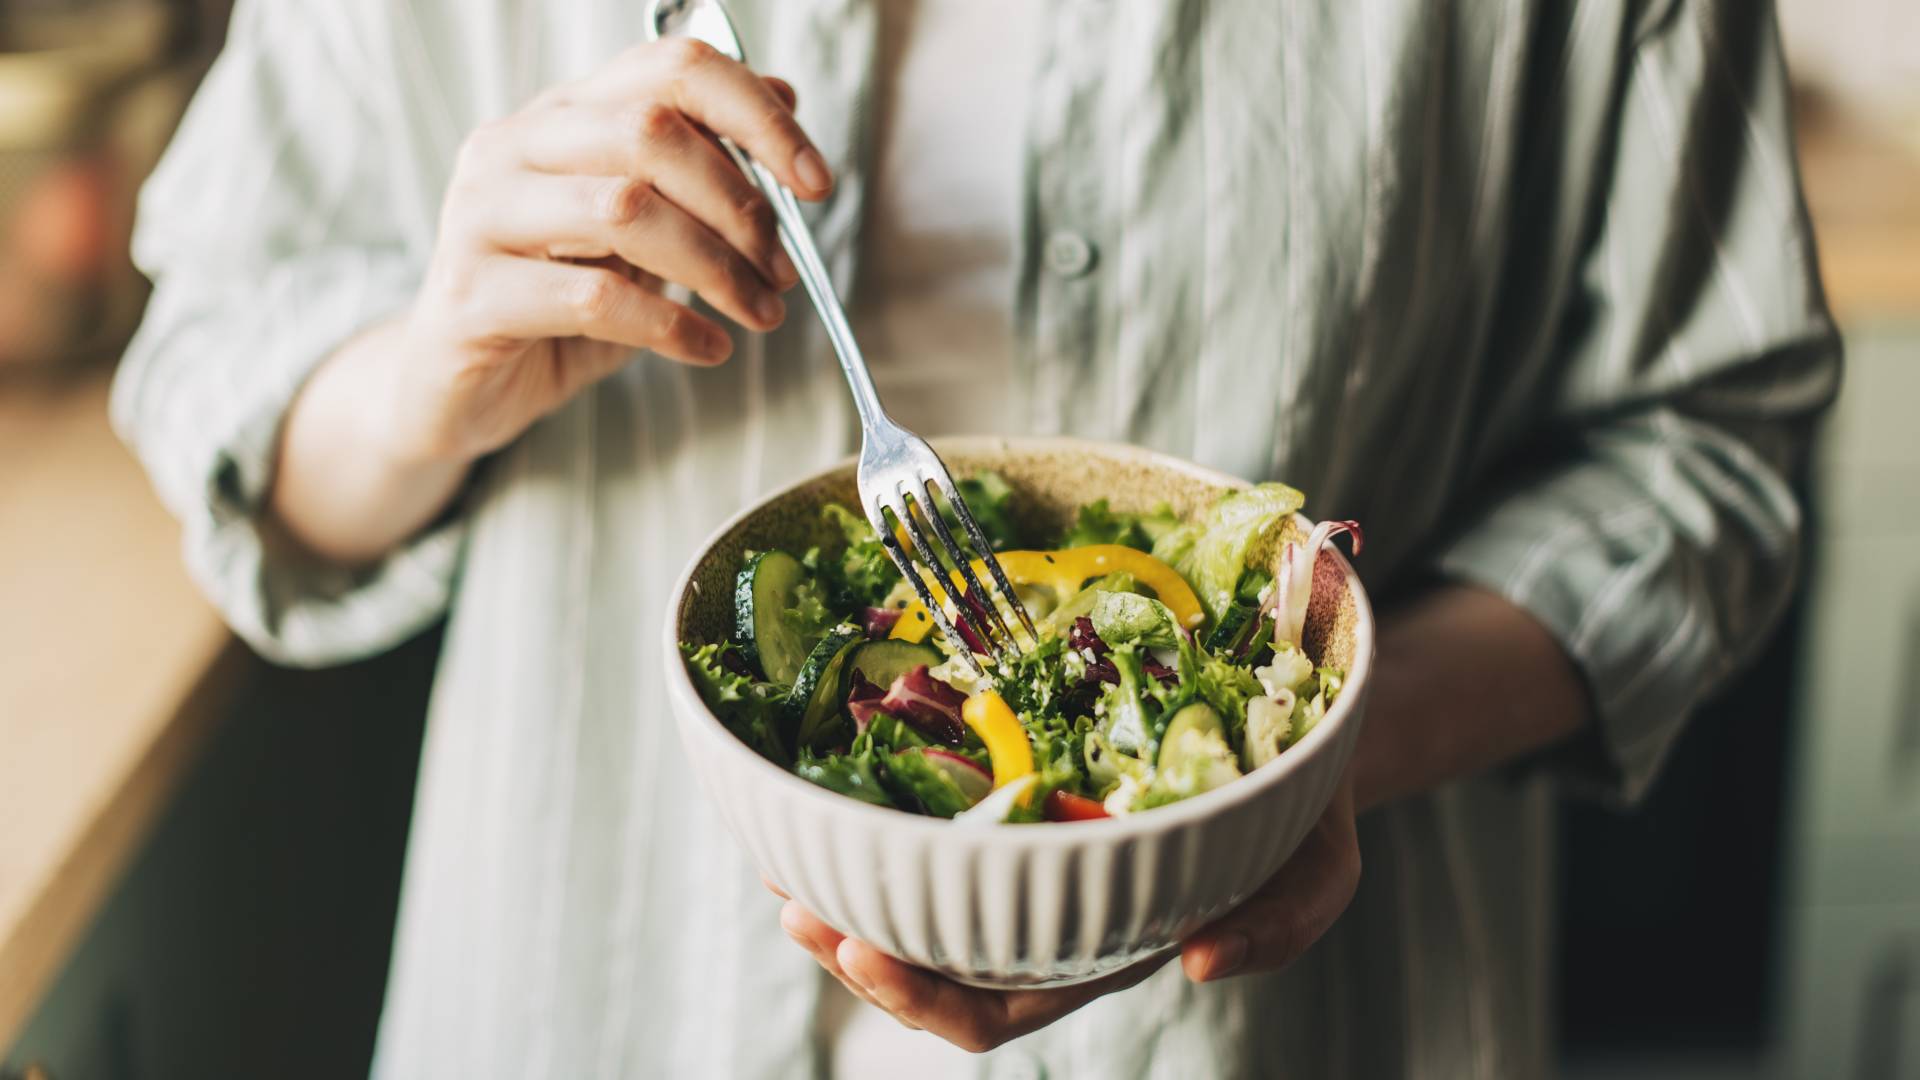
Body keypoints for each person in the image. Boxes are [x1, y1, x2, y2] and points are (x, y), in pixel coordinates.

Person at [114, 0, 1839, 1076]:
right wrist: (445, 373)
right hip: (593, 978)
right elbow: (217, 374)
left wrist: (1315, 759)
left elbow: (1713, 452)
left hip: (1294, 1021)